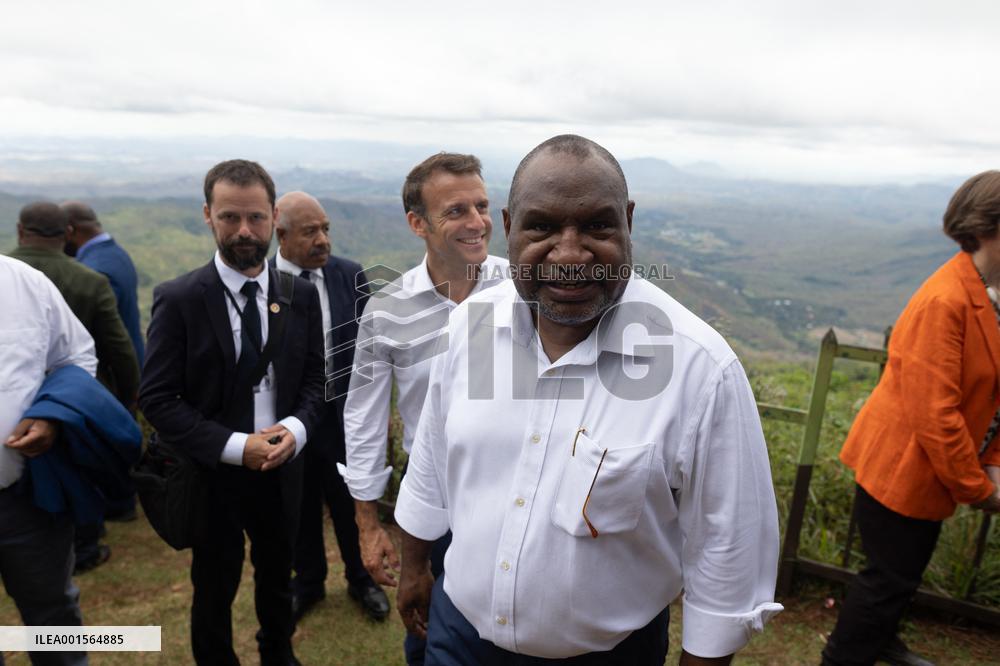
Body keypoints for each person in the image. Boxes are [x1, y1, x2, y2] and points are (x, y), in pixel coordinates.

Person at [394, 135, 782, 664]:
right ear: (509, 227)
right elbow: (433, 465)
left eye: (598, 225)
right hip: (457, 636)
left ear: (628, 222)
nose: (571, 253)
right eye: (543, 227)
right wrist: (415, 569)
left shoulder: (699, 370)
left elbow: (727, 555)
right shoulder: (469, 328)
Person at [138, 160, 326, 666]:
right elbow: (156, 397)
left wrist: (294, 430)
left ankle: (278, 653)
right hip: (211, 474)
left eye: (256, 218)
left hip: (283, 466)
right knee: (214, 584)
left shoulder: (300, 295)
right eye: (230, 218)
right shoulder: (179, 299)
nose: (244, 231)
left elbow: (314, 381)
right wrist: (234, 447)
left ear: (272, 218)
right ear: (208, 216)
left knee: (277, 572)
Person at [823, 171, 1000, 666]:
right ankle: (845, 657)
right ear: (988, 227)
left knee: (901, 572)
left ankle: (882, 643)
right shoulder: (946, 301)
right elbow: (935, 413)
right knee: (887, 578)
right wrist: (978, 487)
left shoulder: (985, 291)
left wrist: (990, 462)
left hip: (929, 470)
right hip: (901, 469)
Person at [337, 152, 508, 663]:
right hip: (432, 496)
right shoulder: (386, 310)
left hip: (518, 488)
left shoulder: (525, 288)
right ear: (418, 223)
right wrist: (368, 525)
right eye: (457, 211)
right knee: (429, 629)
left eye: (482, 206)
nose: (477, 223)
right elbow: (363, 419)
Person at [271, 191, 390, 622]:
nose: (323, 240)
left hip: (343, 418)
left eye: (326, 229)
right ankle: (309, 583)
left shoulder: (349, 275)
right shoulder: (264, 283)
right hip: (290, 420)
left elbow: (370, 348)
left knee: (349, 501)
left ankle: (361, 579)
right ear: (280, 235)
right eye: (310, 232)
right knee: (299, 505)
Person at [8, 202, 140, 573]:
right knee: (73, 482)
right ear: (66, 234)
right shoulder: (88, 280)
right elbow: (119, 347)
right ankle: (82, 549)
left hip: (14, 419)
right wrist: (129, 396)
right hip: (71, 404)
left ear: (20, 231)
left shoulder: (11, 277)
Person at [0, 254, 97, 666]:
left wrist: (51, 416)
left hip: (25, 497)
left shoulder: (24, 283)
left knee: (53, 622)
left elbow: (76, 358)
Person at [62, 201, 145, 369]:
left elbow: (102, 332)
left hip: (115, 374)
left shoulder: (95, 270)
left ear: (70, 231)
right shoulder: (115, 253)